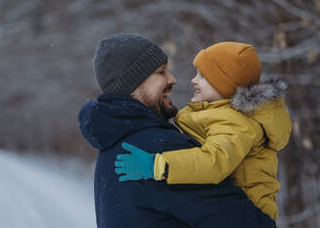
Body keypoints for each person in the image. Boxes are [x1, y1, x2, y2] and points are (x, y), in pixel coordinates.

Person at [79, 34, 276, 227]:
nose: (173, 79)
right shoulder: (161, 149)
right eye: (161, 72)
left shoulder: (112, 144)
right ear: (133, 84)